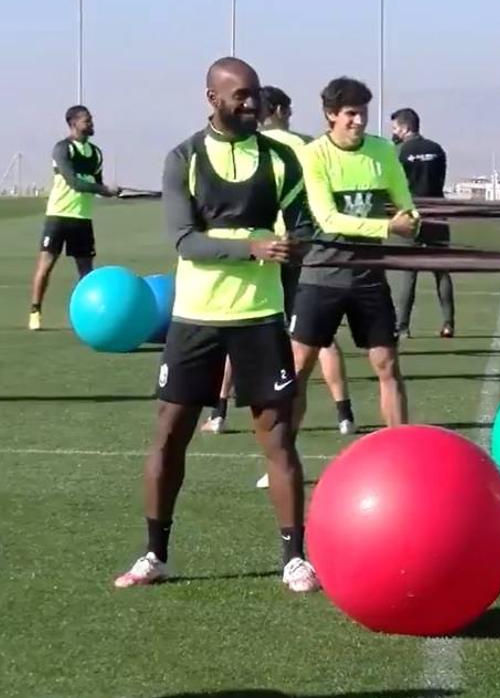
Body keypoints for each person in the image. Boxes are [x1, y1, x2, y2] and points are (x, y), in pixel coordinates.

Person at [113, 57, 319, 592]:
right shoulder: (183, 158)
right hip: (196, 318)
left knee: (278, 439)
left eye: (256, 94)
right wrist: (253, 247)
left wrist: (297, 244)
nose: (252, 103)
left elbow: (303, 226)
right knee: (169, 436)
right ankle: (154, 554)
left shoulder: (280, 159)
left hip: (259, 317)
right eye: (241, 95)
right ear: (213, 98)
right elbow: (185, 240)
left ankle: (295, 559)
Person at [202, 85, 357, 442]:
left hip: (262, 249)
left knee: (237, 326)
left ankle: (219, 413)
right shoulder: (307, 145)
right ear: (282, 110)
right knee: (321, 337)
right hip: (302, 249)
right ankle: (344, 414)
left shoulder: (250, 146)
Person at [289, 76, 417, 434]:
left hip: (368, 276)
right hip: (322, 274)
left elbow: (405, 204)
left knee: (387, 364)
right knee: (299, 366)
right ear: (331, 114)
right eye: (350, 114)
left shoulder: (383, 151)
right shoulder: (313, 154)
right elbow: (328, 219)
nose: (359, 121)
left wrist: (411, 219)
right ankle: (282, 454)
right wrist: (389, 227)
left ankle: (400, 449)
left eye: (363, 113)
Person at [29, 105, 120, 330]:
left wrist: (109, 191)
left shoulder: (96, 153)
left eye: (91, 119)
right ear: (73, 124)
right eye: (87, 120)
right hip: (58, 216)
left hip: (82, 218)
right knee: (46, 266)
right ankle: (35, 311)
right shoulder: (62, 149)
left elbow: (96, 184)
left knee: (86, 273)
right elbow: (74, 183)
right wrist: (104, 189)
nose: (91, 124)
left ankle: (88, 316)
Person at [389, 107, 454, 338]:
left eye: (395, 128)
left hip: (411, 214)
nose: (393, 132)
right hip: (437, 214)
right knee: (442, 271)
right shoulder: (436, 149)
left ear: (405, 127)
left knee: (409, 272)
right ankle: (448, 323)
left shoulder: (398, 152)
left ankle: (403, 326)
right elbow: (440, 180)